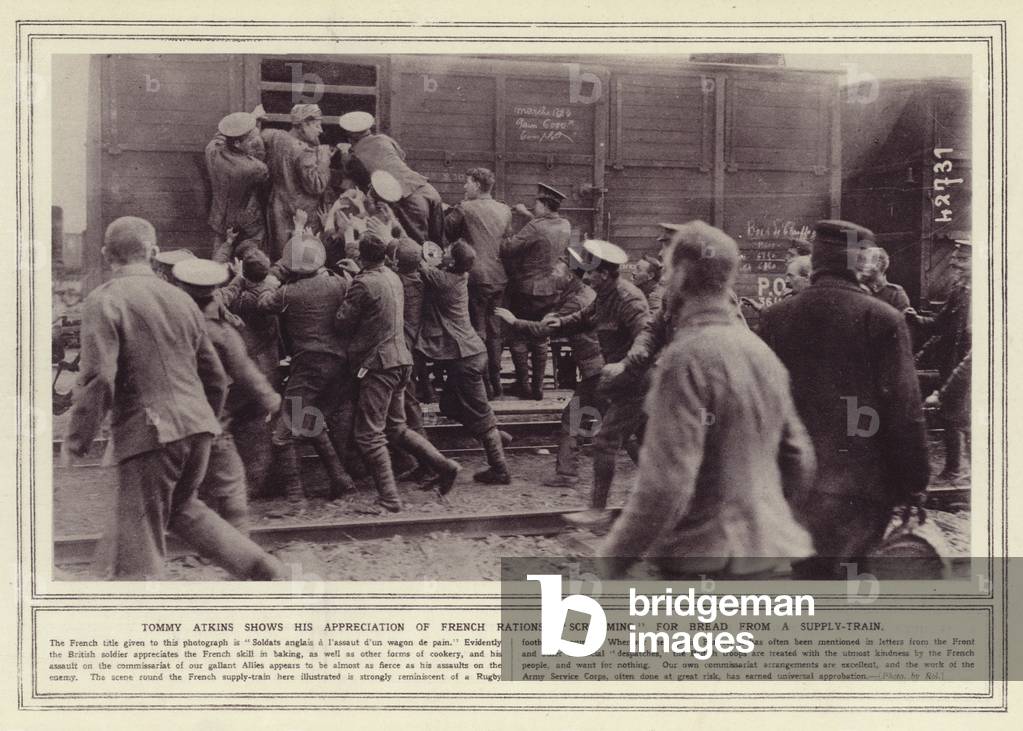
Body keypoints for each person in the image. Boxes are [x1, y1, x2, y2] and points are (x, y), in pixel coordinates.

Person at [64, 216, 286, 580]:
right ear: (152, 253)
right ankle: (265, 569)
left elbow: (98, 377)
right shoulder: (181, 301)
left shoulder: (103, 300)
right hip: (197, 429)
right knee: (183, 509)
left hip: (150, 434)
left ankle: (143, 614)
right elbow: (214, 377)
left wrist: (76, 441)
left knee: (139, 542)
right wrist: (203, 422)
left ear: (107, 255)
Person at [599, 222, 816, 579]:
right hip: (766, 557)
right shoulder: (760, 352)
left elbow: (666, 486)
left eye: (668, 270)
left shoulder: (685, 358)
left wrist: (612, 560)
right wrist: (765, 520)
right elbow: (799, 459)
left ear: (682, 274)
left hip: (703, 561)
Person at [758, 220, 930, 579]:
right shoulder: (883, 318)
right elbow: (904, 411)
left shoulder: (776, 318)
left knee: (808, 578)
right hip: (863, 485)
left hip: (796, 482)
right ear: (859, 263)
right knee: (852, 578)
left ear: (816, 261)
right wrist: (914, 482)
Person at [336, 232, 461, 511]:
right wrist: (359, 277)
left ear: (362, 257)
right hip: (402, 360)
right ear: (385, 257)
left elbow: (342, 321)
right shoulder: (393, 277)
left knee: (368, 436)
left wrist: (350, 284)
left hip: (379, 365)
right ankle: (445, 466)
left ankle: (390, 498)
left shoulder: (363, 284)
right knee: (396, 428)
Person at [543, 239, 650, 526]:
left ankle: (597, 510)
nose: (586, 277)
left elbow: (646, 338)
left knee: (605, 442)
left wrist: (625, 364)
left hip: (637, 380)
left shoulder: (629, 299)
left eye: (590, 273)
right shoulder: (602, 296)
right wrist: (561, 324)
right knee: (643, 441)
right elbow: (584, 317)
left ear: (604, 274)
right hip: (625, 380)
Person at [172, 258, 281, 533]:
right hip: (210, 421)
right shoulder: (221, 332)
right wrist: (271, 399)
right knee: (232, 486)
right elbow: (245, 372)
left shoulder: (170, 324)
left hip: (172, 420)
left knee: (186, 488)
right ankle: (240, 551)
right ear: (213, 291)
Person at [255, 230, 357, 502]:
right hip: (339, 368)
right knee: (311, 421)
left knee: (282, 435)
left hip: (309, 371)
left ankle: (295, 498)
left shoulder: (289, 293)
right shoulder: (339, 284)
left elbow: (263, 302)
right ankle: (341, 481)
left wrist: (272, 276)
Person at [495, 253, 605, 487]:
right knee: (626, 425)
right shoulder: (578, 293)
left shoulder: (577, 300)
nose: (552, 275)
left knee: (572, 419)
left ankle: (566, 474)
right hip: (600, 368)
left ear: (569, 275)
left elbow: (546, 331)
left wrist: (514, 322)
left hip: (597, 370)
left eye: (556, 271)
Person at [416, 240, 512, 484]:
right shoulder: (456, 276)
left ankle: (499, 469)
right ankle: (496, 438)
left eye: (447, 252)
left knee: (481, 414)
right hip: (469, 354)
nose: (443, 253)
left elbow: (417, 261)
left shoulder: (446, 281)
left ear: (453, 262)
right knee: (449, 406)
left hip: (465, 359)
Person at [217, 247, 283, 498]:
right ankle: (265, 481)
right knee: (264, 425)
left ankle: (250, 485)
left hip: (250, 371)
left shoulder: (245, 299)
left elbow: (224, 297)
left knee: (243, 424)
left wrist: (237, 277)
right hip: (271, 367)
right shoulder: (272, 291)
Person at [907, 240, 972, 483]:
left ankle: (967, 471)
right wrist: (916, 319)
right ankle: (955, 468)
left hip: (972, 367)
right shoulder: (958, 291)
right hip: (954, 364)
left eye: (962, 260)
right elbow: (941, 324)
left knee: (963, 417)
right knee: (952, 415)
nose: (955, 263)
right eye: (955, 259)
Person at [445, 167, 513, 397]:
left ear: (476, 184)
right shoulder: (504, 210)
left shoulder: (465, 208)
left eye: (467, 183)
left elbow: (447, 232)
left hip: (474, 277)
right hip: (498, 277)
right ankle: (496, 381)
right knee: (495, 331)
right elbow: (507, 243)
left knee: (477, 329)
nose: (464, 187)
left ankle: (483, 385)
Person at [500, 183, 572, 400]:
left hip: (527, 289)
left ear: (544, 205)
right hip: (552, 289)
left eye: (536, 203)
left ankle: (524, 385)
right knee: (540, 336)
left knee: (518, 335)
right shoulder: (565, 224)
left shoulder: (535, 227)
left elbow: (508, 248)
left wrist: (505, 232)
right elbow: (543, 230)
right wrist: (528, 215)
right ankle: (538, 388)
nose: (534, 206)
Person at [338, 111, 446, 245]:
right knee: (437, 246)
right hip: (427, 189)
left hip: (409, 199)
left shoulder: (354, 156)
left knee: (416, 248)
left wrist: (343, 154)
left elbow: (355, 179)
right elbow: (401, 156)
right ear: (368, 129)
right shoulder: (384, 139)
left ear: (350, 137)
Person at [262, 104, 332, 258]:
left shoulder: (277, 137)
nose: (320, 130)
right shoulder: (304, 151)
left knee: (282, 254)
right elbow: (317, 185)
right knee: (302, 256)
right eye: (317, 125)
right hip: (301, 212)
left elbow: (264, 135)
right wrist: (324, 161)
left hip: (278, 206)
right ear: (304, 124)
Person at [205, 111, 268, 262]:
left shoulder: (212, 150)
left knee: (220, 255)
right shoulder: (255, 168)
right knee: (251, 257)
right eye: (251, 140)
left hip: (220, 218)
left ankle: (216, 281)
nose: (254, 142)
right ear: (237, 143)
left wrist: (248, 120)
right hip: (247, 223)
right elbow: (264, 171)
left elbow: (219, 137)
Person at [857, 245, 911, 311]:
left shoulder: (895, 294)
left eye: (864, 261)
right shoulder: (857, 289)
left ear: (877, 265)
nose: (859, 266)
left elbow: (903, 319)